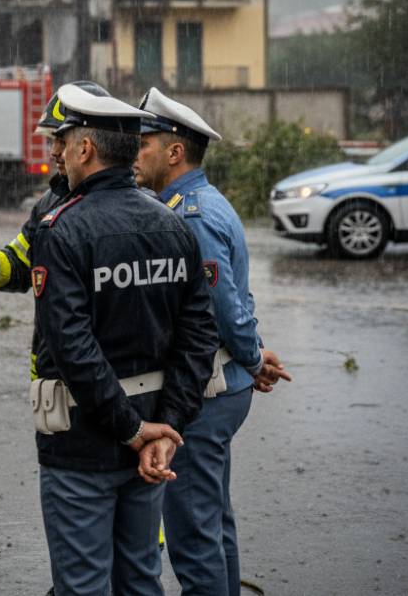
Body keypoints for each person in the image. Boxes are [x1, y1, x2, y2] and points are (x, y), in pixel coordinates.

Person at [30, 83, 219, 596]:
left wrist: (133, 429)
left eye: (64, 142)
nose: (59, 155)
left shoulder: (60, 230)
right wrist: (166, 428)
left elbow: (73, 350)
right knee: (140, 578)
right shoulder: (173, 225)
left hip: (84, 445)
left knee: (84, 585)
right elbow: (198, 337)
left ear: (85, 149)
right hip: (153, 442)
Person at [132, 87, 292, 596]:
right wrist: (254, 356)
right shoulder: (195, 202)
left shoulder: (189, 216)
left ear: (174, 152)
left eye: (144, 144)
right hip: (223, 383)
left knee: (193, 533)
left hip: (208, 392)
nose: (135, 156)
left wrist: (250, 356)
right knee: (214, 521)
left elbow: (222, 308)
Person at [0, 82, 112, 378]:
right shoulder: (49, 203)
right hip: (51, 383)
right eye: (50, 139)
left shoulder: (125, 207)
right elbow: (19, 264)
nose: (53, 151)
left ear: (87, 144)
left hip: (109, 376)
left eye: (61, 139)